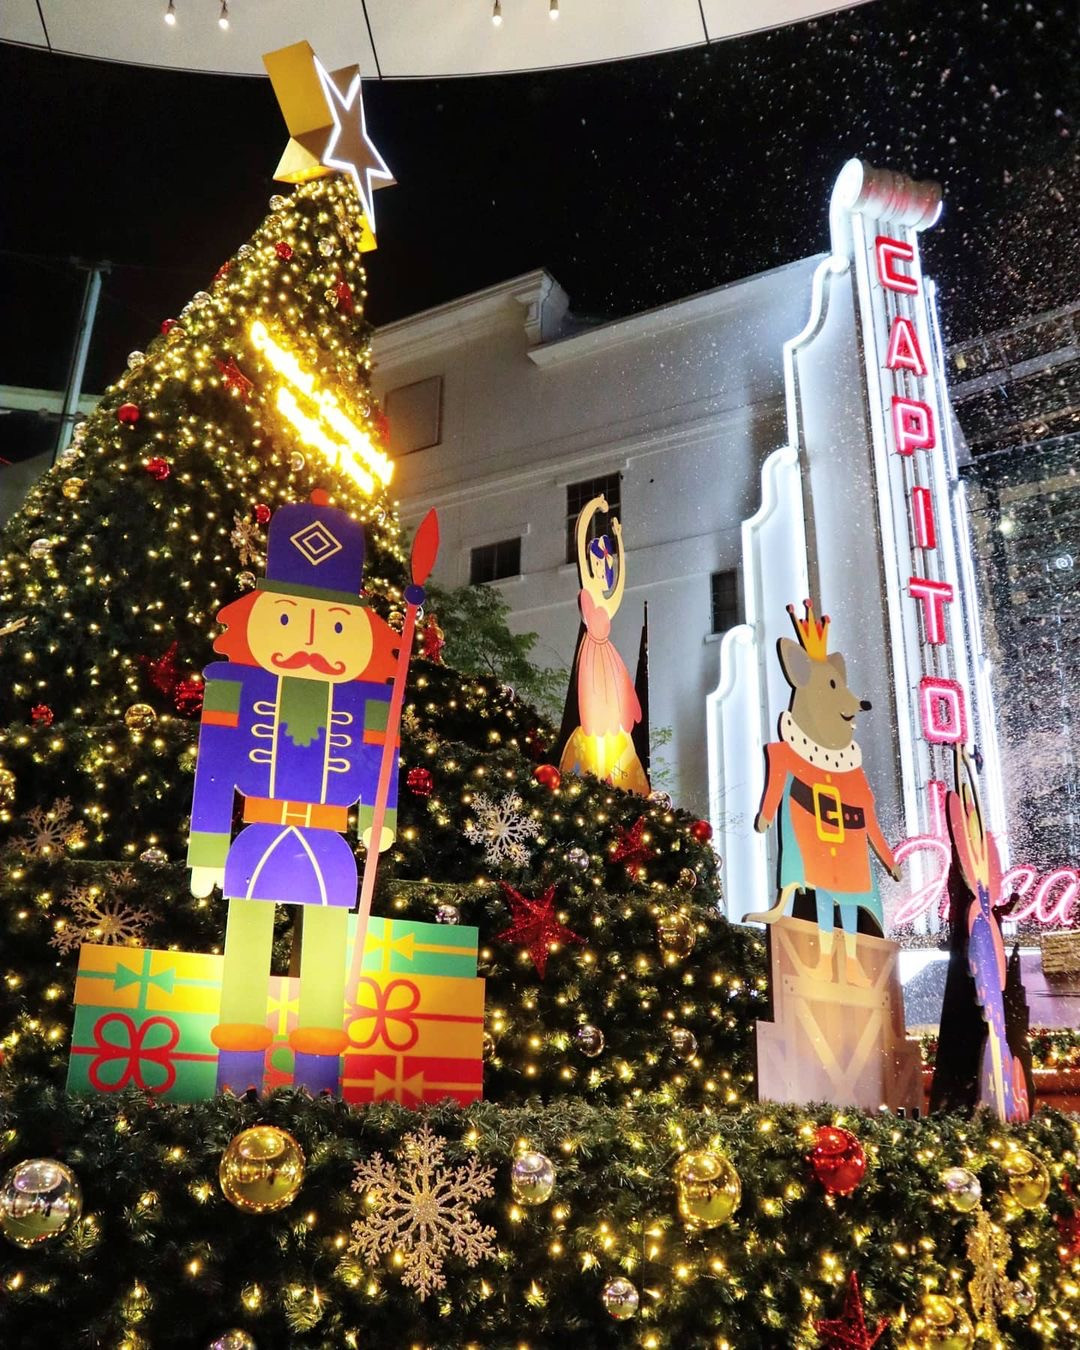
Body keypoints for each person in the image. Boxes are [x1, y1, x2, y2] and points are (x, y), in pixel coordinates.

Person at [187, 490, 399, 1095]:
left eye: (334, 625)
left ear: (362, 630)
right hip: (256, 836)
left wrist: (377, 820)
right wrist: (206, 846)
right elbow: (214, 767)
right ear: (255, 615)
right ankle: (237, 1083)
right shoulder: (233, 687)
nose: (309, 641)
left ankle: (317, 1088)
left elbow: (382, 759)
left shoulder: (370, 700)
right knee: (245, 947)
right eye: (287, 619)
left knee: (327, 966)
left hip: (330, 844)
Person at [558, 494, 649, 796]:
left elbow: (621, 578)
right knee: (592, 711)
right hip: (592, 659)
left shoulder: (609, 597)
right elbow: (581, 540)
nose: (599, 565)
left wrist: (619, 540)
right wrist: (592, 510)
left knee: (616, 715)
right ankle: (593, 765)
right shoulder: (589, 588)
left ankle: (614, 769)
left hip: (608, 662)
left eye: (603, 561)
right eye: (597, 559)